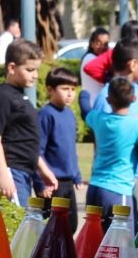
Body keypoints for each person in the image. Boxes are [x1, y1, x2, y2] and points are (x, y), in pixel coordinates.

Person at [0, 38, 57, 207]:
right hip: (11, 171)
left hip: (23, 172)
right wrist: (3, 174)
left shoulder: (20, 96)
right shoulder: (4, 96)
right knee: (19, 228)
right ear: (12, 68)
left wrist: (44, 170)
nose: (35, 75)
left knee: (22, 228)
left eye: (36, 70)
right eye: (30, 69)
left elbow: (25, 140)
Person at [85, 77, 138, 232]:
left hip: (94, 189)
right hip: (118, 190)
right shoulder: (134, 126)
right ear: (134, 99)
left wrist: (84, 95)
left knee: (93, 240)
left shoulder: (98, 118)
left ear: (108, 99)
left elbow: (84, 110)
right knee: (120, 244)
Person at [39, 66, 83, 232]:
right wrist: (41, 181)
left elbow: (70, 149)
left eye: (73, 89)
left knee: (71, 225)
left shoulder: (70, 114)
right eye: (65, 89)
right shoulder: (46, 114)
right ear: (50, 89)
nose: (70, 93)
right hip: (52, 183)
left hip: (68, 182)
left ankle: (63, 257)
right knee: (53, 227)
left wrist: (77, 175)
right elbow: (38, 151)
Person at [79, 25, 111, 117]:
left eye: (105, 44)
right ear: (92, 43)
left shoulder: (98, 59)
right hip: (93, 105)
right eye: (98, 43)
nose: (102, 47)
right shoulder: (90, 58)